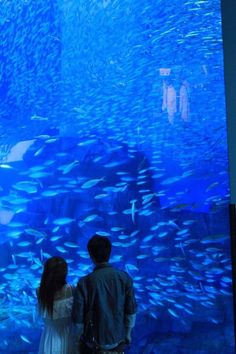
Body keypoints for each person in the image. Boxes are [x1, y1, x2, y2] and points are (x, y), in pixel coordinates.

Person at [72, 235, 137, 353]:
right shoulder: (124, 278)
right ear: (109, 252)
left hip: (93, 343)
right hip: (118, 341)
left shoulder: (84, 282)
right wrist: (128, 334)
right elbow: (131, 310)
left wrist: (78, 339)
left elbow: (78, 318)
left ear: (91, 256)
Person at [37, 256, 76, 354]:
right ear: (65, 272)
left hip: (48, 337)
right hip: (69, 336)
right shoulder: (71, 289)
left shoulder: (39, 291)